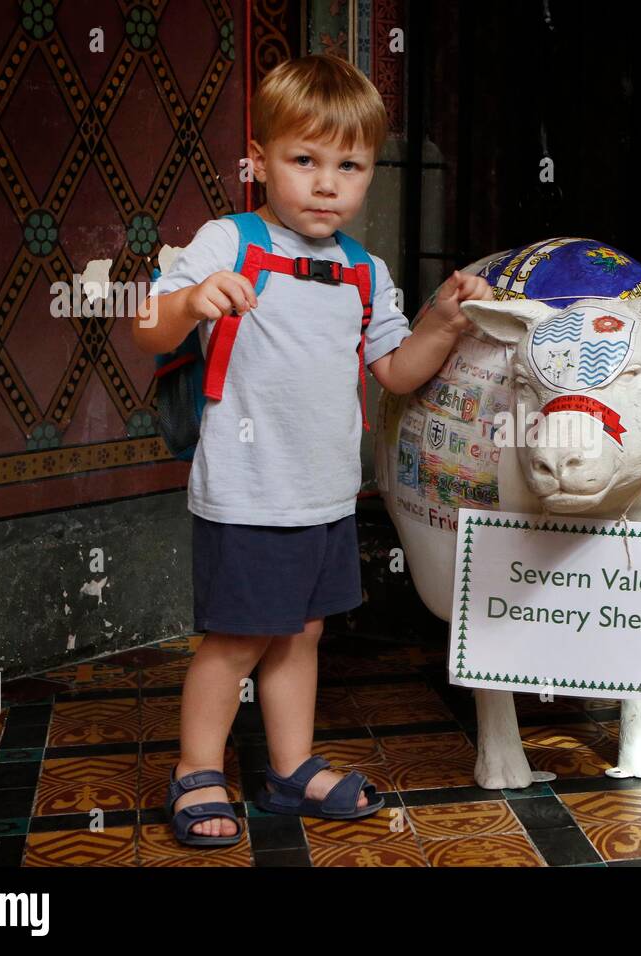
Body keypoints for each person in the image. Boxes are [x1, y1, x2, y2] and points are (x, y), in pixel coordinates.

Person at [133, 53, 491, 845]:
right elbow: (148, 326)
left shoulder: (365, 272)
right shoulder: (230, 239)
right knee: (234, 640)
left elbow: (397, 370)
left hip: (325, 493)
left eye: (350, 165)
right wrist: (191, 298)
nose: (328, 184)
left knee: (301, 633)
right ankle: (197, 770)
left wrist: (443, 319)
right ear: (259, 162)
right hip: (247, 487)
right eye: (304, 160)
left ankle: (289, 771)